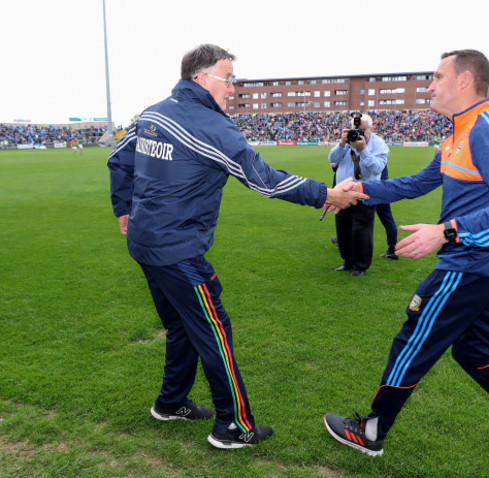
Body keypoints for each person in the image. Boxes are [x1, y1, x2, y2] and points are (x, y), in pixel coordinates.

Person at [107, 43, 365, 451]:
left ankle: (170, 403)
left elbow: (118, 160)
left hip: (146, 244)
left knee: (180, 326)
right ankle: (232, 427)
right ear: (201, 78)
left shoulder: (151, 113)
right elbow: (264, 179)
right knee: (215, 331)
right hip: (177, 251)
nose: (233, 88)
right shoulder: (212, 127)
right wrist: (327, 195)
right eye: (228, 79)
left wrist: (124, 208)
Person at [324, 49, 489, 462]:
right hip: (485, 266)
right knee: (473, 353)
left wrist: (447, 231)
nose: (430, 86)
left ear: (463, 82)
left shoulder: (486, 128)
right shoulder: (457, 132)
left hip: (471, 265)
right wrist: (362, 190)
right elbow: (420, 182)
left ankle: (371, 431)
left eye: (437, 77)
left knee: (412, 340)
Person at [328, 113, 388, 277]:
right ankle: (347, 261)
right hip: (342, 193)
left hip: (364, 194)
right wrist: (342, 143)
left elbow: (377, 169)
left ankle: (361, 266)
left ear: (371, 129)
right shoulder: (348, 142)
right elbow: (331, 159)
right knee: (343, 229)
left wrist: (363, 150)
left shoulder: (379, 145)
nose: (359, 134)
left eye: (363, 130)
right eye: (356, 129)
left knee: (361, 231)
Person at [376, 163, 399, 260]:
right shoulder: (380, 151)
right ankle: (393, 250)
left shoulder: (372, 151)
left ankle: (344, 241)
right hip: (383, 188)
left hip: (373, 188)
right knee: (387, 219)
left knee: (358, 217)